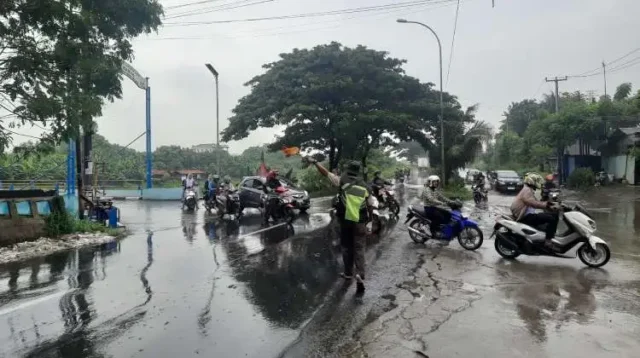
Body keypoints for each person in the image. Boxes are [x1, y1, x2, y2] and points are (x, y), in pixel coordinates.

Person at [306, 158, 374, 295]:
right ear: (359, 172)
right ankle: (360, 274)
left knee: (347, 247)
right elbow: (370, 205)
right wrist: (370, 221)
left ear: (348, 170)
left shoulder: (341, 180)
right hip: (360, 221)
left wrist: (315, 162)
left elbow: (325, 173)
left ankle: (348, 273)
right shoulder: (365, 186)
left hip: (346, 221)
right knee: (359, 248)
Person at [510, 173, 559, 248]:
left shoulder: (528, 190)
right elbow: (533, 203)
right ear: (531, 181)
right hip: (525, 216)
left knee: (555, 215)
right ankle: (547, 241)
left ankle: (550, 234)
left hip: (527, 214)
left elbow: (536, 202)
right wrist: (546, 205)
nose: (538, 182)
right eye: (536, 181)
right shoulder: (527, 190)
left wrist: (549, 205)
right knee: (551, 219)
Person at [420, 175, 457, 245]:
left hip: (434, 207)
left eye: (437, 182)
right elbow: (431, 199)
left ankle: (442, 230)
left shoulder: (435, 190)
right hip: (428, 208)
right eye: (435, 182)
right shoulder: (426, 190)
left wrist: (451, 201)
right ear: (431, 182)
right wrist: (441, 203)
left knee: (448, 214)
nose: (436, 183)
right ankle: (432, 231)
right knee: (439, 217)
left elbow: (442, 197)